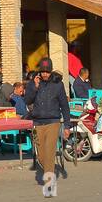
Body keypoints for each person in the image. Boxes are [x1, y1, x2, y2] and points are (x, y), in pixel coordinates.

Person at [25, 58, 70, 190]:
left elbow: (64, 105)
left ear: (50, 71)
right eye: (43, 71)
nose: (45, 74)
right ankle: (50, 171)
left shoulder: (58, 85)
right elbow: (27, 100)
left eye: (47, 71)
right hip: (37, 122)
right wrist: (35, 87)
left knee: (50, 151)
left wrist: (67, 125)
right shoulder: (33, 83)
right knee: (41, 155)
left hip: (53, 122)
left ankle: (49, 182)